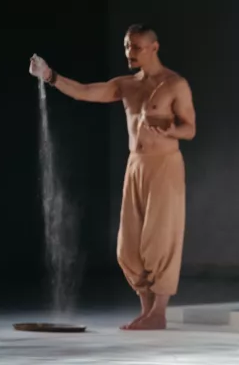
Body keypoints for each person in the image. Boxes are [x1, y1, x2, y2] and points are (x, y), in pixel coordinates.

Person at [29, 24, 196, 330]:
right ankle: (147, 311)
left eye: (135, 47)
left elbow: (190, 128)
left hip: (164, 165)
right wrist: (50, 76)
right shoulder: (127, 85)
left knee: (159, 239)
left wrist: (170, 130)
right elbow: (85, 91)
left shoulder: (175, 84)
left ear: (154, 48)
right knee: (128, 246)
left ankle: (159, 313)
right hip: (136, 164)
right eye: (126, 46)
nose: (129, 53)